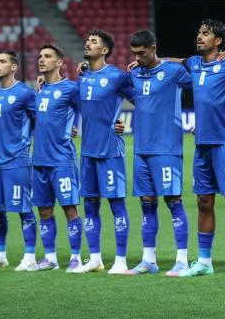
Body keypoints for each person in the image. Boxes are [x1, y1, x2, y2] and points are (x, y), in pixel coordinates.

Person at [178, 19, 225, 279]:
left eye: (205, 33)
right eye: (199, 32)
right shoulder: (195, 63)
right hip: (202, 144)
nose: (199, 36)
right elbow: (177, 62)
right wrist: (152, 60)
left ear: (218, 41)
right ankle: (205, 261)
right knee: (204, 200)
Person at [123, 30, 193, 276]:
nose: (137, 58)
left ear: (154, 48)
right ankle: (148, 260)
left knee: (173, 201)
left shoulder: (174, 72)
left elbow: (205, 84)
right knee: (146, 204)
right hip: (141, 149)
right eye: (134, 54)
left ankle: (182, 261)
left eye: (142, 53)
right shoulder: (134, 73)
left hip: (167, 148)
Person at [73, 30, 136, 274]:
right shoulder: (83, 76)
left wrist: (126, 125)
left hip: (110, 150)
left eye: (93, 42)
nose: (87, 44)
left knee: (116, 205)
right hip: (87, 152)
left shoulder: (117, 77)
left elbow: (142, 101)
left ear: (105, 50)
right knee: (90, 205)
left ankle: (121, 260)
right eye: (87, 40)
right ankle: (95, 258)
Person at [0, 50, 37, 271]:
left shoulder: (25, 93)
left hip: (17, 160)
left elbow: (40, 121)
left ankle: (30, 257)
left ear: (14, 67)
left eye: (2, 61)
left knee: (24, 209)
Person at [31, 44, 83, 272]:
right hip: (39, 160)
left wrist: (74, 127)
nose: (42, 59)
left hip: (62, 159)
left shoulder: (71, 88)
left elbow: (86, 110)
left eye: (47, 56)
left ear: (59, 62)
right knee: (44, 210)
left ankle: (76, 257)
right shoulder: (40, 89)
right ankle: (50, 258)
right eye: (40, 56)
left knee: (70, 208)